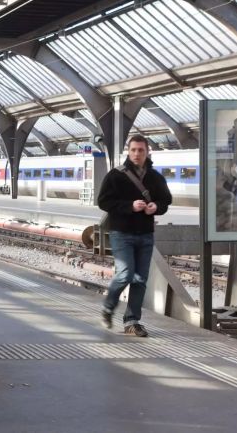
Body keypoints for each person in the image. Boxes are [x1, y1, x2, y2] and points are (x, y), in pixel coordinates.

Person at [98, 135, 172, 337]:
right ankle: (108, 307)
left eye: (141, 150)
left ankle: (132, 321)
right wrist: (129, 206)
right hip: (121, 233)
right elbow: (103, 202)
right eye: (133, 150)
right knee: (125, 274)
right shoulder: (115, 176)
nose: (137, 154)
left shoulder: (155, 178)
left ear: (147, 151)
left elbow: (166, 200)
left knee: (140, 280)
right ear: (128, 152)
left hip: (146, 234)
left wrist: (156, 207)